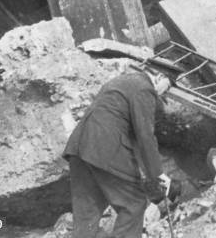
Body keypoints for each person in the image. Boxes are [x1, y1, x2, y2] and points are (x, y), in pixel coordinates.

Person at [63, 69, 179, 237]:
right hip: (105, 148)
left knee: (87, 212)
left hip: (79, 147)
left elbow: (133, 137)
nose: (164, 92)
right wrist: (159, 175)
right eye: (167, 86)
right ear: (159, 76)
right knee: (134, 203)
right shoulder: (144, 89)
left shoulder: (123, 82)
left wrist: (149, 173)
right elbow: (145, 136)